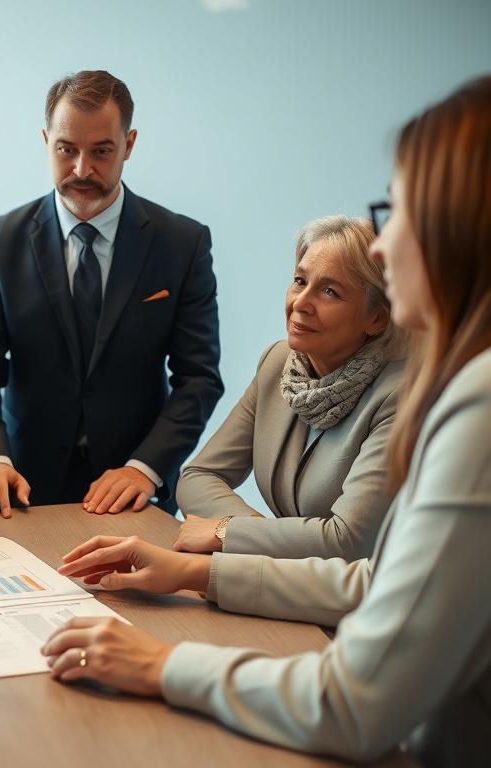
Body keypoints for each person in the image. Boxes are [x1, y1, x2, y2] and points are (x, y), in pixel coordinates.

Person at [40, 76, 491, 766]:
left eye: (397, 209)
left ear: (461, 230)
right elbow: (375, 581)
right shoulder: (323, 366)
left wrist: (164, 664)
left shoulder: (477, 403)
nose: (380, 244)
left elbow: (350, 703)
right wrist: (191, 572)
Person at [0, 70, 223, 519]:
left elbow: (199, 377)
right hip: (20, 488)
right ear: (46, 141)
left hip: (134, 492)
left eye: (101, 151)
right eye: (66, 150)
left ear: (129, 144)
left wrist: (145, 468)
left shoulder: (182, 243)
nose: (82, 169)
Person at [172, 216, 406, 561]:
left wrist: (228, 533)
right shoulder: (279, 362)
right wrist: (251, 530)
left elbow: (349, 541)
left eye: (330, 291)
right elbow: (198, 475)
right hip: (280, 586)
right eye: (300, 281)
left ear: (377, 318)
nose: (300, 303)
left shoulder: (400, 395)